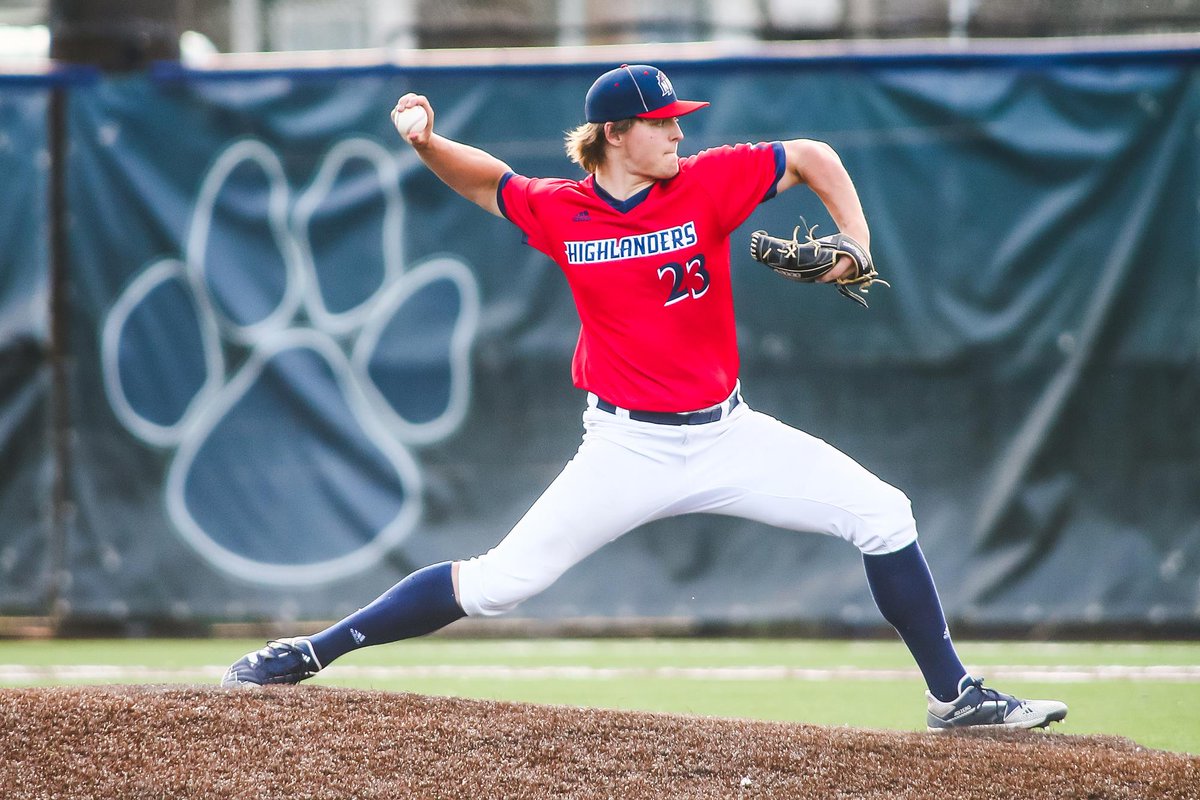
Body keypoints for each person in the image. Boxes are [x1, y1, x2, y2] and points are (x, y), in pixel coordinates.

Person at [222, 64, 1067, 732]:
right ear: (615, 135)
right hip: (627, 448)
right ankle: (310, 650)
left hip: (730, 436)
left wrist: (854, 241)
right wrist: (425, 143)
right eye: (662, 122)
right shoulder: (565, 211)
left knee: (884, 514)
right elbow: (490, 183)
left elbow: (813, 155)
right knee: (499, 584)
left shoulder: (707, 182)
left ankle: (955, 698)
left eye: (677, 120)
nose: (676, 132)